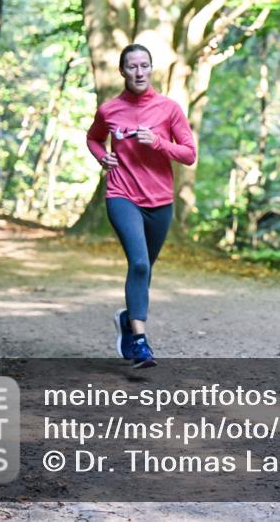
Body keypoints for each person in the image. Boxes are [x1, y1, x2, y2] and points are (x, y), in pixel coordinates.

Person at [87, 43, 197, 368]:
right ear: (122, 71)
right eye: (132, 66)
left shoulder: (169, 109)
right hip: (121, 195)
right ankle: (140, 341)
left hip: (160, 202)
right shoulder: (109, 110)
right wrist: (102, 157)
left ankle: (128, 320)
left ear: (151, 69)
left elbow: (189, 154)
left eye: (144, 66)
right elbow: (93, 138)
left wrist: (159, 143)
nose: (139, 72)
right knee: (138, 264)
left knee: (145, 268)